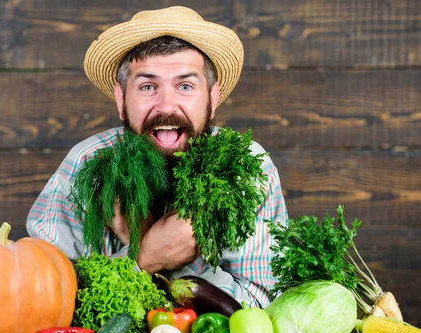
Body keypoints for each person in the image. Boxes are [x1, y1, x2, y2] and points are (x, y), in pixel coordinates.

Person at [26, 6, 288, 308]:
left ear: (212, 99)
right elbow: (41, 302)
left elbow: (263, 306)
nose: (166, 105)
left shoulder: (246, 169)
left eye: (185, 86)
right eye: (148, 86)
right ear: (121, 99)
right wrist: (146, 256)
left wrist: (180, 262)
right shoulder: (86, 165)